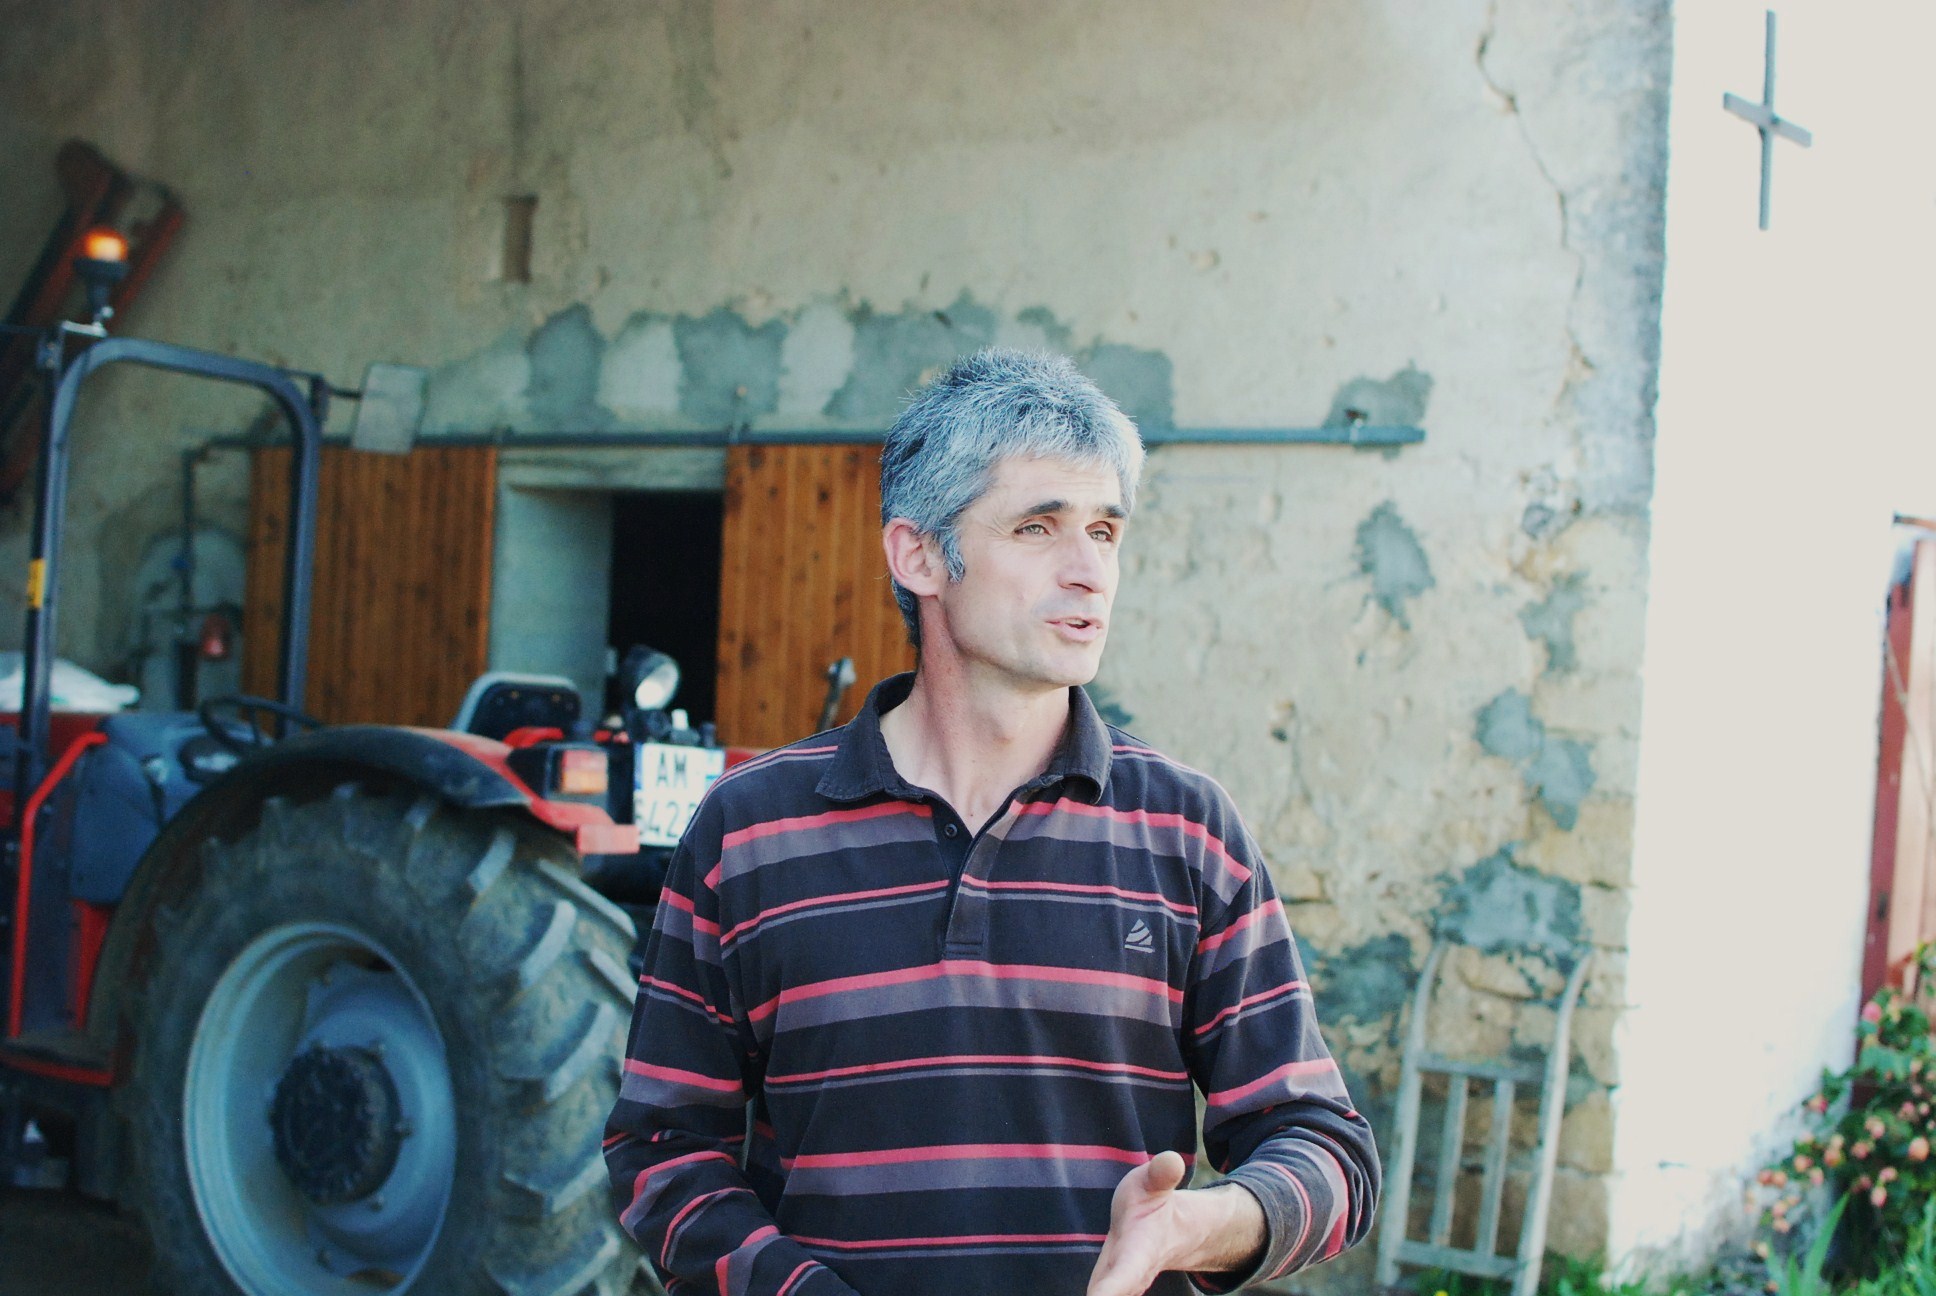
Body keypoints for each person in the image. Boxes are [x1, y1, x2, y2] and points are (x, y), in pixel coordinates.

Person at [605, 349, 1378, 1295]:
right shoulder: (747, 832)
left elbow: (1327, 1148)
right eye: (1038, 527)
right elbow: (661, 1151)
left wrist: (1198, 1225)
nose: (1089, 571)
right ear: (919, 555)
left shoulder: (1186, 830)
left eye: (1104, 531)